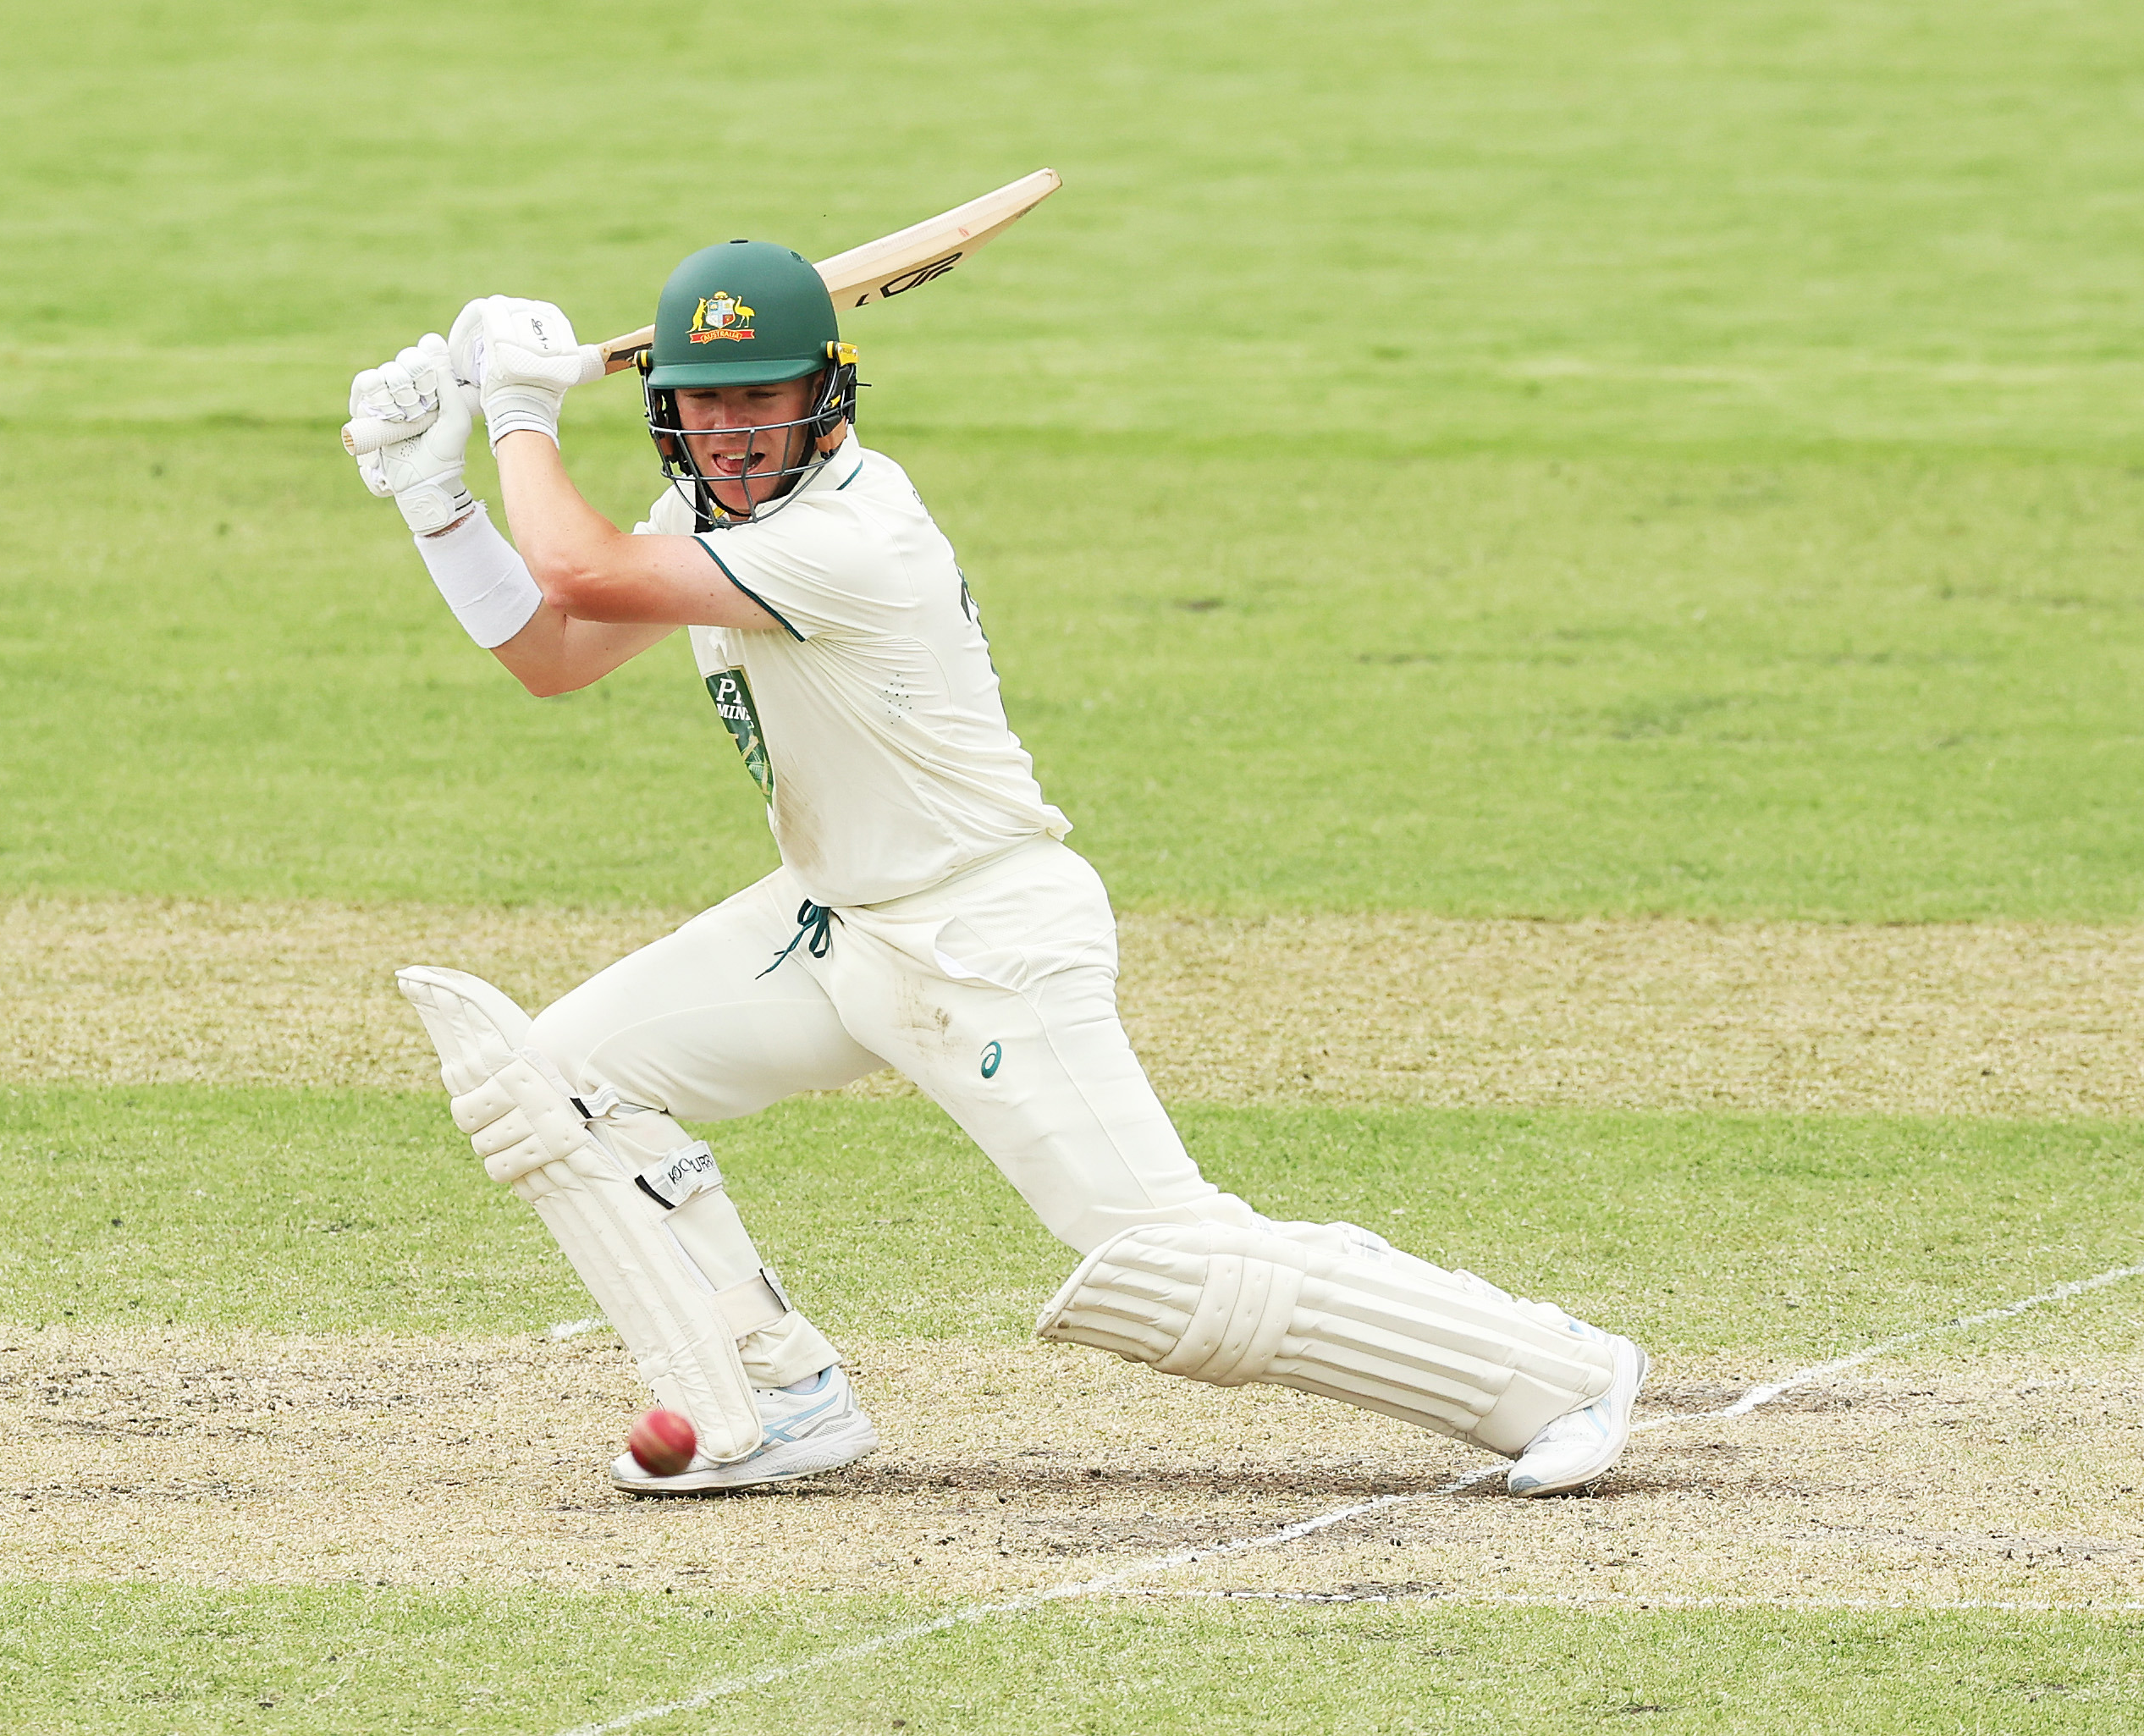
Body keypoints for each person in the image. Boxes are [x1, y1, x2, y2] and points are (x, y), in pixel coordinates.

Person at [347, 240, 1648, 1496]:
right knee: (560, 1083)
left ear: (828, 395)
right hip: (836, 925)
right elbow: (552, 651)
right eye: (701, 403)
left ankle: (1556, 1375)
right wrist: (434, 494)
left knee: (1162, 1259)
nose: (731, 431)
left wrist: (519, 409)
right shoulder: (712, 516)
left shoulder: (850, 539)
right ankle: (780, 1393)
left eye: (762, 396)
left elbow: (574, 566)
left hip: (984, 936)